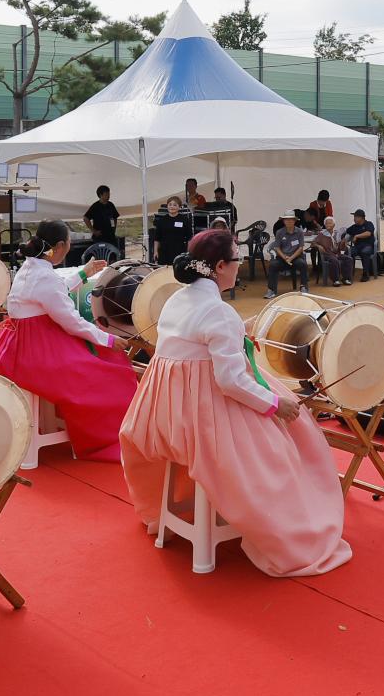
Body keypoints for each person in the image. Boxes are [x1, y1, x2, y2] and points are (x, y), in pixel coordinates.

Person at [117, 229, 351, 578]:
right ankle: (293, 524)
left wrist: (242, 328)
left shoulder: (177, 299)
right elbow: (229, 382)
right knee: (293, 430)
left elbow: (198, 342)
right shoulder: (217, 311)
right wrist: (275, 405)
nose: (241, 267)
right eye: (238, 260)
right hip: (200, 417)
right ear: (221, 266)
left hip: (163, 413)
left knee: (275, 410)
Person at [0, 221, 138, 462]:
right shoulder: (45, 276)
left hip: (17, 347)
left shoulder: (31, 267)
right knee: (110, 371)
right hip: (35, 353)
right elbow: (72, 322)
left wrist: (83, 273)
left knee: (100, 360)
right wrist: (108, 339)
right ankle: (105, 437)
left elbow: (52, 294)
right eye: (68, 243)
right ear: (59, 246)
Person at [265, 217, 310, 296]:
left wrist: (291, 258)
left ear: (295, 221)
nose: (289, 221)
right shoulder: (279, 232)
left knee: (303, 264)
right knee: (273, 265)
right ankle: (271, 290)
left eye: (291, 220)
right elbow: (277, 247)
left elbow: (300, 248)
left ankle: (304, 287)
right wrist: (284, 257)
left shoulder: (299, 232)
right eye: (286, 220)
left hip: (295, 257)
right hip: (282, 258)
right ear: (283, 221)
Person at [84, 185, 120, 253]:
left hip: (111, 236)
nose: (108, 196)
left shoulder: (111, 205)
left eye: (109, 194)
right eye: (106, 194)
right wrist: (94, 231)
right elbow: (86, 218)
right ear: (100, 195)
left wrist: (114, 228)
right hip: (100, 237)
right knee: (101, 255)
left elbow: (115, 217)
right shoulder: (95, 206)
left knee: (113, 255)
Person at [345, 209, 380, 278]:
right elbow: (346, 232)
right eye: (354, 217)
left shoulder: (369, 224)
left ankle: (365, 274)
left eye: (356, 217)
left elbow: (368, 233)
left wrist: (357, 236)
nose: (354, 219)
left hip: (368, 246)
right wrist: (345, 240)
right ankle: (348, 273)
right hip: (357, 247)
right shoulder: (354, 227)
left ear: (362, 218)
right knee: (348, 252)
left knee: (364, 252)